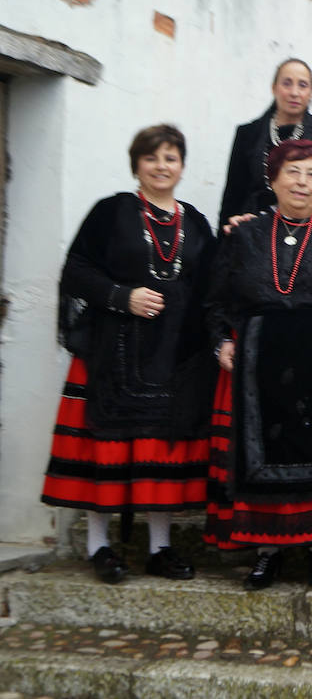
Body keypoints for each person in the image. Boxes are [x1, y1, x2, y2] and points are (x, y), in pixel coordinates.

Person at [41, 125, 217, 584]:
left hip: (172, 358)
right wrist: (123, 296)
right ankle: (99, 547)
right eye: (152, 157)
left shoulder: (195, 222)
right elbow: (76, 270)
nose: (162, 166)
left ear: (182, 166)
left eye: (171, 157)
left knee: (160, 450)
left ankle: (160, 548)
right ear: (136, 164)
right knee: (108, 449)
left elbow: (214, 284)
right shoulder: (111, 212)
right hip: (112, 354)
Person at [205, 139, 312, 590]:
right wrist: (221, 339)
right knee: (263, 452)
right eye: (293, 172)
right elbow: (219, 296)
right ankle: (267, 551)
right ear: (273, 179)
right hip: (262, 358)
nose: (302, 182)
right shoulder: (245, 233)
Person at [217, 58, 312, 229]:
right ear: (274, 88)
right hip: (254, 228)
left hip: (308, 230)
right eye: (287, 83)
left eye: (302, 85)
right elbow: (233, 194)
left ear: (311, 92)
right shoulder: (248, 133)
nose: (294, 92)